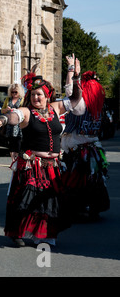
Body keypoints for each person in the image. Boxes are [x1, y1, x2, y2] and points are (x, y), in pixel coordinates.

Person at [0, 57, 83, 247]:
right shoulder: (26, 111)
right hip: (32, 165)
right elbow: (15, 115)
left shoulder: (56, 108)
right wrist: (4, 119)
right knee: (26, 200)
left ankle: (45, 234)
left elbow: (75, 99)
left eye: (39, 94)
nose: (36, 98)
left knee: (50, 201)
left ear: (47, 95)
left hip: (53, 165)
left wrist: (75, 76)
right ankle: (16, 232)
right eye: (33, 94)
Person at [60, 54, 110, 221]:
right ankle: (93, 207)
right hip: (93, 147)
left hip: (78, 148)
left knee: (77, 179)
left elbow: (70, 92)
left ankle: (80, 207)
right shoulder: (99, 108)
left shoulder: (80, 106)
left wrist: (72, 70)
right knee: (93, 179)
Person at [1, 83, 25, 162]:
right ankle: (13, 160)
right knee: (11, 144)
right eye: (12, 92)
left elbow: (25, 111)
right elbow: (2, 110)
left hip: (19, 125)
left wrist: (17, 110)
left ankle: (17, 159)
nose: (13, 94)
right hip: (10, 125)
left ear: (19, 92)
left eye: (15, 92)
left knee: (18, 143)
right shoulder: (8, 99)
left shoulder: (22, 99)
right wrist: (7, 110)